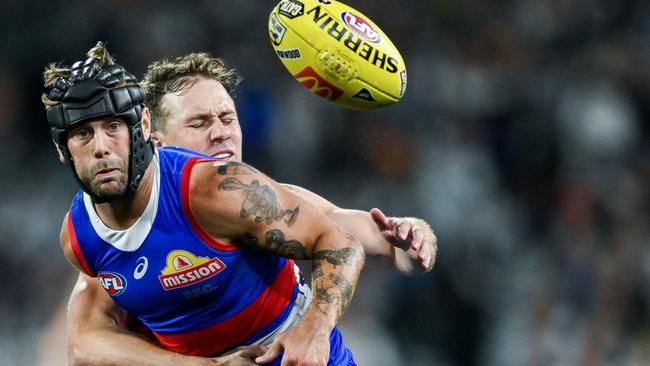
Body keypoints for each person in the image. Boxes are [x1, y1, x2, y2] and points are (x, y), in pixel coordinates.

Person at [47, 45, 437, 365]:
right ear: (155, 138)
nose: (220, 132)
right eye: (200, 123)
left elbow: (356, 239)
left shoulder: (235, 193)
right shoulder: (89, 233)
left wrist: (414, 243)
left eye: (227, 118)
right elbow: (85, 342)